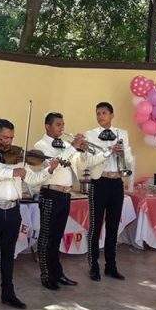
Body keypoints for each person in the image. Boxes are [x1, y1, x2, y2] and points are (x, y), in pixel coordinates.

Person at [0, 119, 58, 310]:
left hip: (13, 210)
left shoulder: (18, 156)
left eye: (11, 138)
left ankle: (8, 293)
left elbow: (33, 178)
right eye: (4, 138)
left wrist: (48, 170)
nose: (9, 142)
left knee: (8, 253)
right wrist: (12, 172)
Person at [34, 112, 102, 289]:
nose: (62, 128)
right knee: (46, 237)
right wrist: (72, 147)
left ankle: (58, 273)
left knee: (56, 237)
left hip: (65, 195)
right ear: (47, 126)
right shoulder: (40, 146)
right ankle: (46, 275)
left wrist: (83, 151)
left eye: (63, 124)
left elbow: (79, 165)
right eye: (58, 125)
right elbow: (53, 166)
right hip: (50, 193)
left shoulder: (65, 145)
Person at [83, 102, 135, 281]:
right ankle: (93, 266)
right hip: (99, 182)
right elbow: (89, 161)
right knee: (95, 225)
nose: (100, 116)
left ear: (112, 115)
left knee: (113, 225)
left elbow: (129, 159)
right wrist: (108, 151)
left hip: (116, 182)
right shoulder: (90, 134)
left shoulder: (122, 133)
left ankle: (111, 266)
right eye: (98, 113)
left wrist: (122, 154)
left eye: (104, 113)